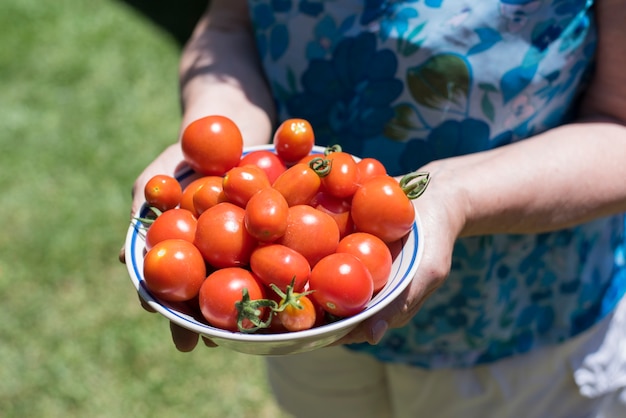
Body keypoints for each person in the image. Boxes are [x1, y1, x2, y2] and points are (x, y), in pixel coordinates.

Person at [120, 0, 626, 416]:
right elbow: (232, 22)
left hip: (517, 333)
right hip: (308, 325)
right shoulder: (286, 288)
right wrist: (223, 152)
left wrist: (458, 194)